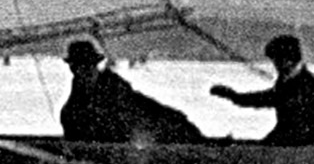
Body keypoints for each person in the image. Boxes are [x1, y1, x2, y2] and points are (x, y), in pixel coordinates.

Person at [61, 39, 206, 144]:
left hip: (153, 135)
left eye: (90, 65)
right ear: (74, 69)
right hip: (121, 144)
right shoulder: (73, 106)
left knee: (177, 126)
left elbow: (146, 110)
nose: (87, 71)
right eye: (82, 66)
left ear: (96, 66)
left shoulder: (116, 90)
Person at [209, 34, 314, 145]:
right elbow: (273, 98)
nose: (275, 65)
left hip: (301, 140)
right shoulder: (287, 79)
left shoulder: (305, 83)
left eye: (276, 60)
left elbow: (272, 98)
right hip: (288, 136)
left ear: (288, 59)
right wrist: (235, 97)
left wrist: (235, 97)